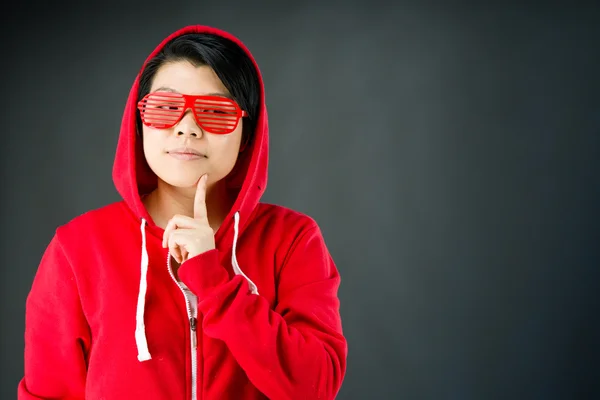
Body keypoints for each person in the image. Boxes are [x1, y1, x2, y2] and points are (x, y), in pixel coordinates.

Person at [18, 25, 347, 400]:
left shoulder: (292, 239)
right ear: (139, 122)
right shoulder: (77, 248)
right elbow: (48, 392)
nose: (187, 128)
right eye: (165, 108)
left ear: (247, 136)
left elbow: (315, 387)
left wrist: (214, 279)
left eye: (215, 112)